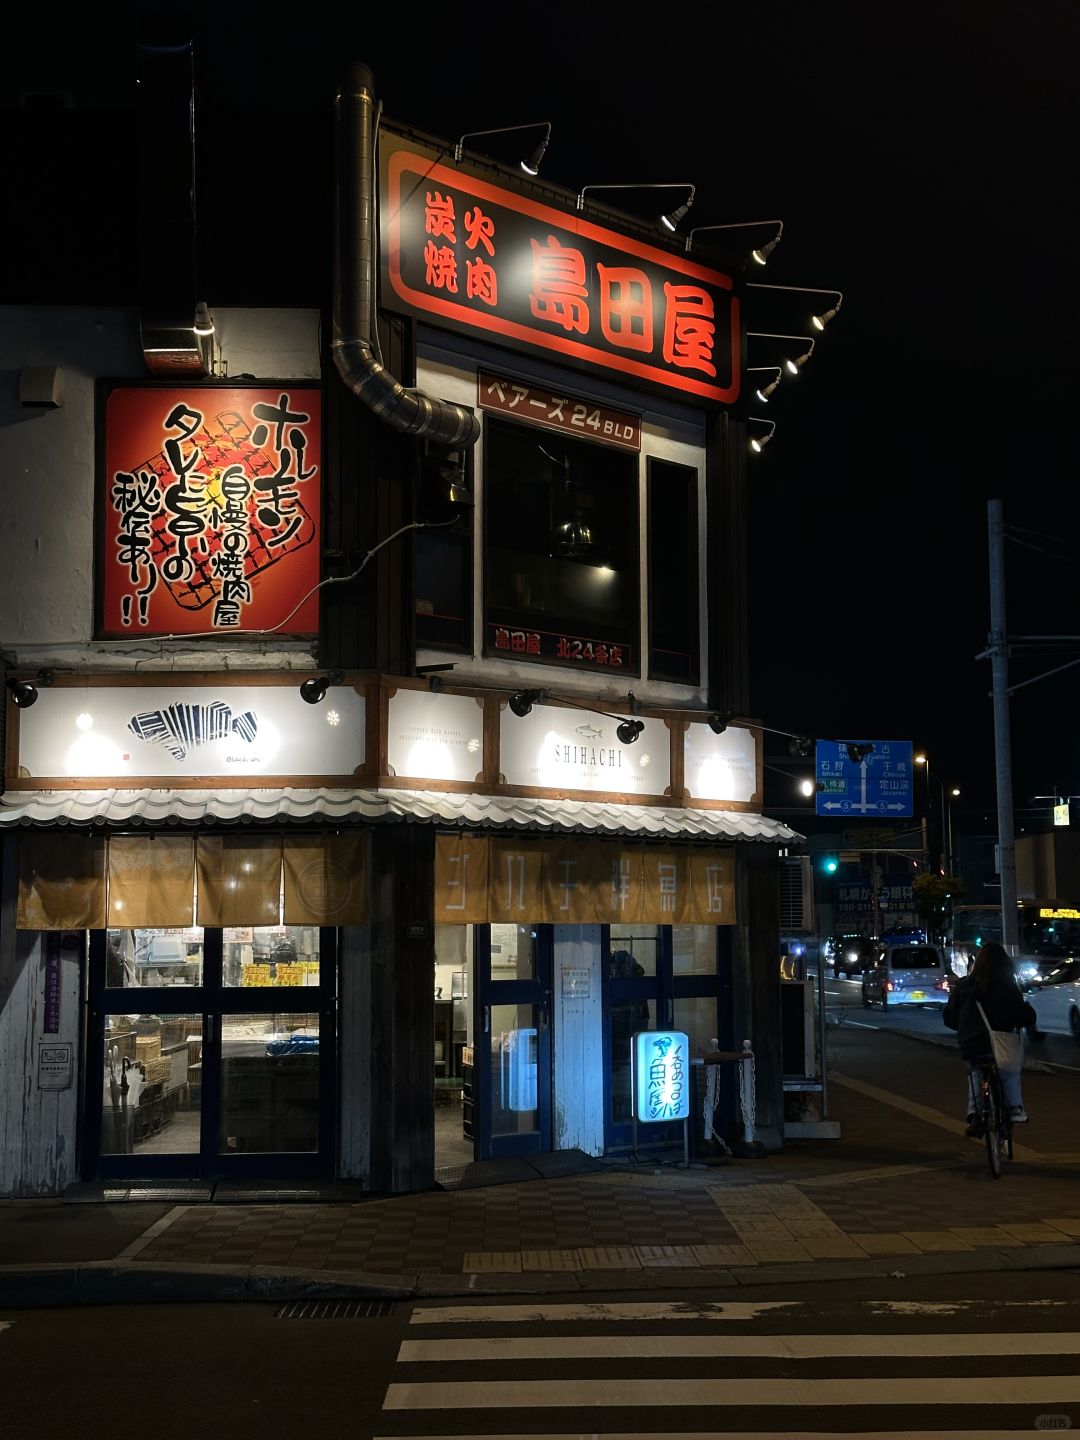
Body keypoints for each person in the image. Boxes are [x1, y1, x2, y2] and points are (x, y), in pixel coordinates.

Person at [943, 940, 1036, 1132]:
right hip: (1002, 1044)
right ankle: (1015, 1109)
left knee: (976, 1072)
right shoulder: (1008, 987)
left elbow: (950, 1018)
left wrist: (963, 1026)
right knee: (1010, 1071)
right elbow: (1026, 1017)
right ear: (1004, 964)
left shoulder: (963, 987)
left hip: (972, 1044)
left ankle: (974, 1115)